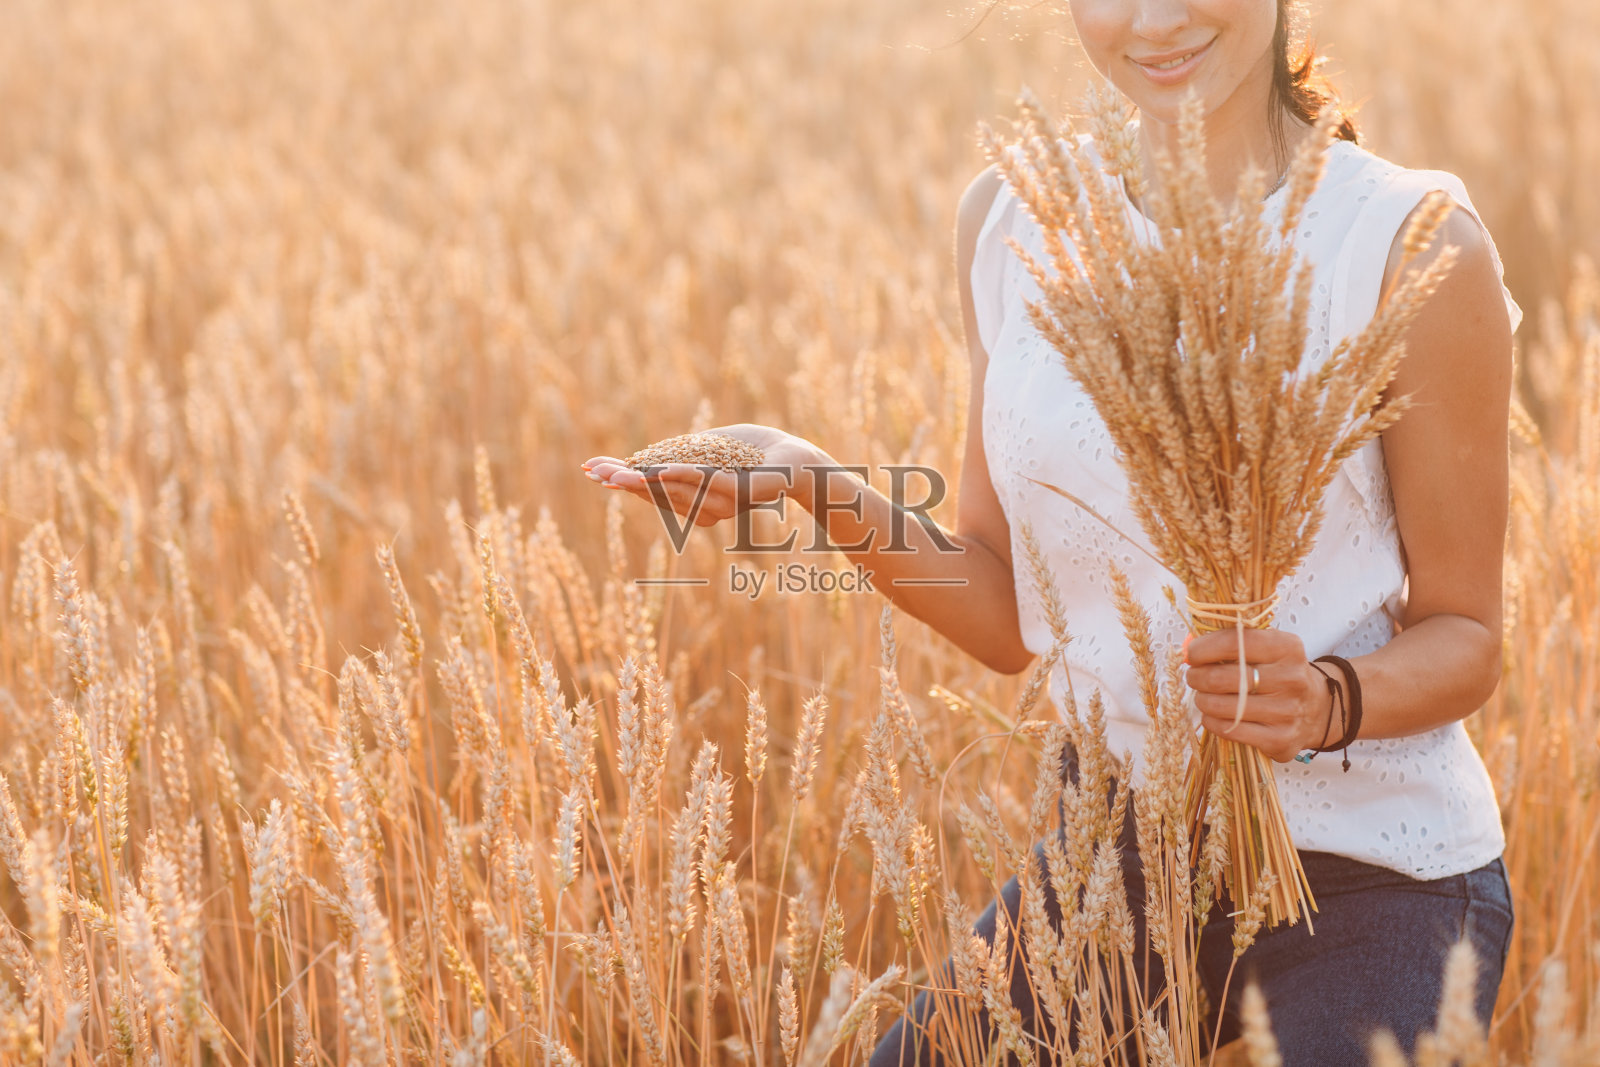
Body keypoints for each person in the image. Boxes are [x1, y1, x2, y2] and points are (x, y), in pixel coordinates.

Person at [581, 1, 1519, 1061]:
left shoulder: (1410, 244)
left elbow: (1468, 634)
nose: (1153, 18)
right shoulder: (1012, 220)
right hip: (1115, 866)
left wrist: (1325, 697)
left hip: (1377, 879)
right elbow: (1001, 611)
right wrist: (807, 477)